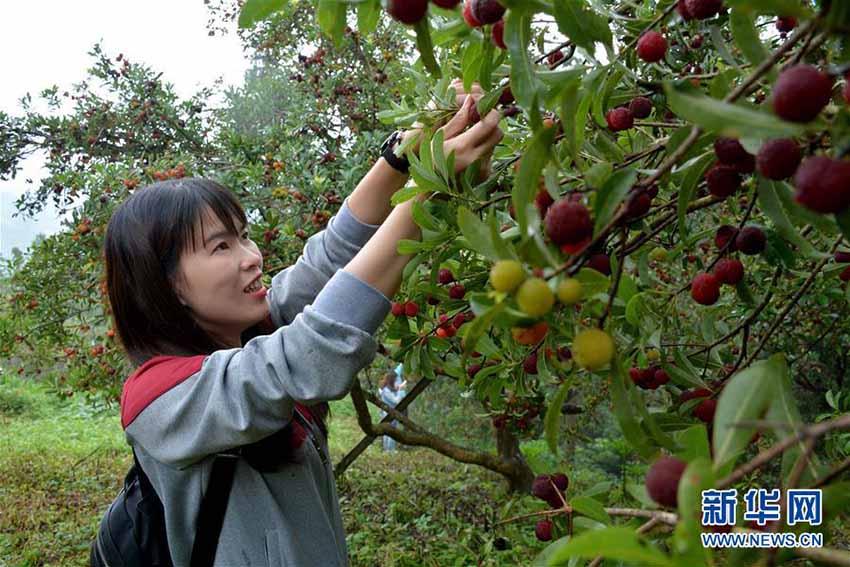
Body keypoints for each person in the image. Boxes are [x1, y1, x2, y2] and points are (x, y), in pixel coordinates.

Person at [102, 79, 502, 566]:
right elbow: (310, 352)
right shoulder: (160, 400)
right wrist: (424, 198)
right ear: (166, 287)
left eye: (245, 237)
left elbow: (331, 256)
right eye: (221, 246)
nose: (252, 257)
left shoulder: (253, 331)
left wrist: (404, 154)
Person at [378, 370, 407, 451]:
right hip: (389, 414)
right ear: (392, 380)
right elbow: (396, 401)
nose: (397, 382)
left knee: (389, 431)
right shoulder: (386, 391)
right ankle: (390, 450)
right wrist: (401, 390)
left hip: (390, 413)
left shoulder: (388, 389)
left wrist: (398, 389)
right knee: (391, 431)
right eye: (396, 380)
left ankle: (388, 450)